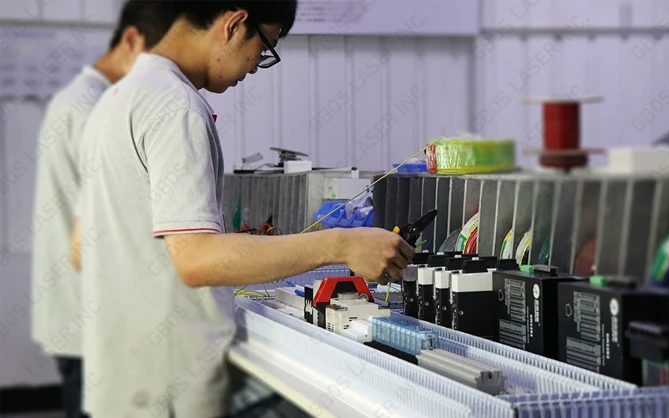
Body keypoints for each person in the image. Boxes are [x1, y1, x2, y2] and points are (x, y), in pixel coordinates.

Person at [70, 1, 414, 417]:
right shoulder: (176, 107)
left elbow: (83, 247)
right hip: (171, 375)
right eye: (265, 48)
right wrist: (343, 243)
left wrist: (230, 247)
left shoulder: (117, 97)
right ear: (234, 24)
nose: (254, 66)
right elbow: (195, 260)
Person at [29, 2, 176, 417]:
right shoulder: (93, 107)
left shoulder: (79, 99)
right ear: (131, 40)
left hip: (77, 310)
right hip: (88, 315)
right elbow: (106, 224)